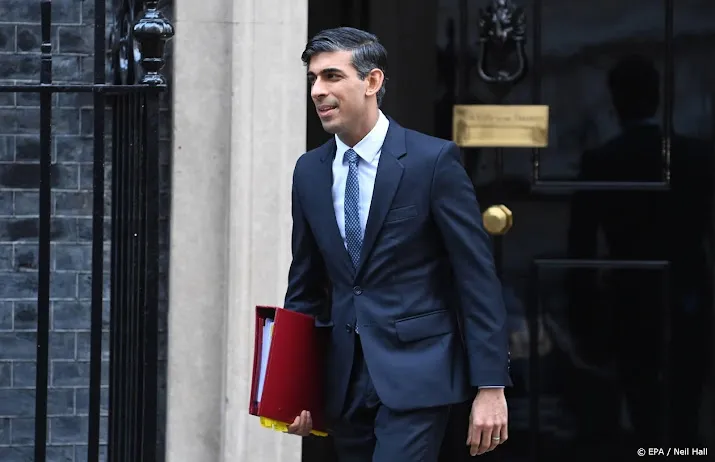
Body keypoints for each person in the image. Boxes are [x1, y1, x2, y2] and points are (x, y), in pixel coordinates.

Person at [283, 26, 511, 462]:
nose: (317, 91)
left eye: (332, 76)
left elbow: (476, 279)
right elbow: (305, 287)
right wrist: (295, 386)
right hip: (342, 381)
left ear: (372, 81)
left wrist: (491, 385)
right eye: (313, 78)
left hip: (419, 374)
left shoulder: (433, 161)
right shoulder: (308, 171)